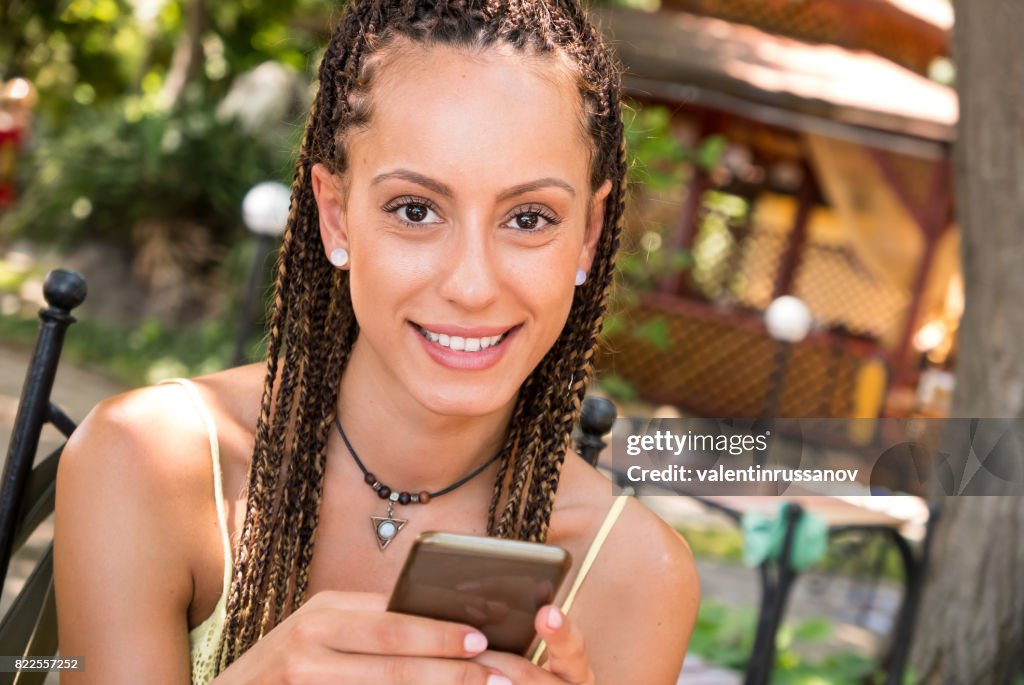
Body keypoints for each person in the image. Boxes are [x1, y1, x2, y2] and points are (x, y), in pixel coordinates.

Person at [53, 0, 700, 681]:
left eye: (529, 217)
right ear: (335, 215)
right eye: (415, 210)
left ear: (589, 236)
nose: (472, 285)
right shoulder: (150, 461)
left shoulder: (633, 573)